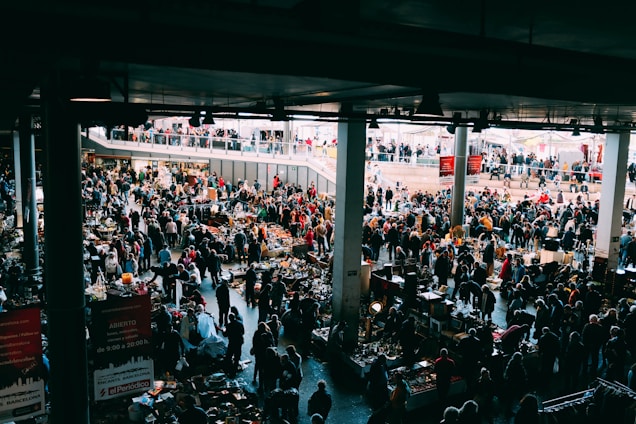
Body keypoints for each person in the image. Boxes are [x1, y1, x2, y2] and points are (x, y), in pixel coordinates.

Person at [222, 312, 245, 377]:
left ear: (229, 319)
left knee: (229, 356)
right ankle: (234, 370)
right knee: (237, 357)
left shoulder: (229, 325)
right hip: (239, 342)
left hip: (232, 342)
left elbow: (225, 334)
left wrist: (224, 330)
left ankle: (228, 369)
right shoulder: (240, 324)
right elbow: (243, 332)